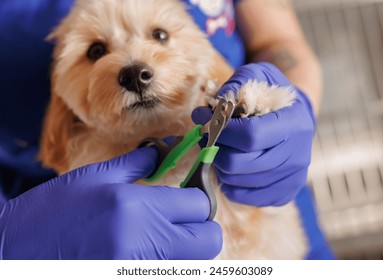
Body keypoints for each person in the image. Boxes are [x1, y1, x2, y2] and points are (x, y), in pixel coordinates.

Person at [0, 0, 334, 259]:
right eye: (97, 51)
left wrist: (291, 105)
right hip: (75, 233)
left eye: (159, 35)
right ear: (62, 104)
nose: (135, 68)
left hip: (265, 189)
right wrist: (10, 246)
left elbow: (279, 39)